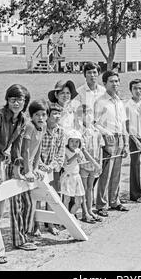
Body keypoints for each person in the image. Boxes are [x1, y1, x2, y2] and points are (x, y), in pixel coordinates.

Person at [0, 84, 30, 264]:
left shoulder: (22, 119)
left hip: (6, 162)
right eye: (12, 99)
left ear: (25, 102)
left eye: (20, 100)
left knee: (2, 208)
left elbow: (18, 147)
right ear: (7, 100)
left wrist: (17, 169)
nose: (16, 103)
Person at [94, 71, 130, 217]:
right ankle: (101, 205)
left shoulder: (119, 102)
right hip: (108, 140)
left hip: (120, 138)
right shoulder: (100, 101)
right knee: (106, 173)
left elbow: (123, 124)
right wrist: (105, 133)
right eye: (111, 81)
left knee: (117, 172)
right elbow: (94, 123)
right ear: (104, 83)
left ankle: (114, 201)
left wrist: (126, 142)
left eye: (116, 81)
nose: (115, 84)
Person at [15, 100, 49, 251]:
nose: (40, 118)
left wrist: (36, 168)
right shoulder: (29, 126)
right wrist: (28, 170)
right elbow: (26, 150)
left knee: (30, 203)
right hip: (22, 167)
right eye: (37, 115)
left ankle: (27, 233)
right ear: (31, 115)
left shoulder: (44, 126)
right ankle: (23, 235)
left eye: (43, 114)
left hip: (31, 168)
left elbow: (39, 147)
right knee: (25, 204)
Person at [33, 105, 65, 236]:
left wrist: (51, 166)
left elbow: (60, 153)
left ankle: (50, 224)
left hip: (52, 168)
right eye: (54, 114)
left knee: (52, 196)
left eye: (59, 114)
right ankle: (36, 226)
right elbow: (35, 150)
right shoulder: (41, 129)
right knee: (38, 197)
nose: (57, 116)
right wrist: (41, 165)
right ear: (48, 115)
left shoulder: (60, 131)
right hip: (39, 168)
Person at [79, 107, 104, 223]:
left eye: (90, 113)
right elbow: (83, 150)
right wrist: (94, 162)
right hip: (85, 164)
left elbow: (100, 148)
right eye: (85, 114)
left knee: (90, 188)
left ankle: (90, 210)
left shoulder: (96, 131)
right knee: (84, 189)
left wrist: (100, 163)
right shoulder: (80, 132)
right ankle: (85, 213)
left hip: (94, 165)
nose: (88, 116)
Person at [60, 130, 87, 218]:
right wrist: (76, 156)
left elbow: (81, 161)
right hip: (68, 176)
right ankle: (65, 219)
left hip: (76, 176)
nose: (74, 143)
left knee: (79, 201)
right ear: (68, 141)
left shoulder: (78, 150)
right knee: (66, 199)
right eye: (72, 141)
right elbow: (66, 163)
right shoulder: (65, 150)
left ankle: (71, 217)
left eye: (77, 141)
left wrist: (81, 157)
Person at [76, 62, 107, 126]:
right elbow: (77, 114)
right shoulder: (79, 92)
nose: (92, 75)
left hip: (103, 127)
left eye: (94, 72)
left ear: (98, 74)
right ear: (85, 75)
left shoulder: (104, 91)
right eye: (89, 73)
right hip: (86, 127)